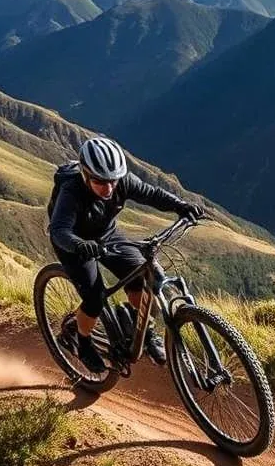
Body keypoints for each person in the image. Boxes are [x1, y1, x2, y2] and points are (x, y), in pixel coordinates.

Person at [48, 136, 204, 372]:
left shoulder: (122, 182)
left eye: (113, 180)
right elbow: (60, 230)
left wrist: (180, 206)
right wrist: (79, 245)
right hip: (75, 244)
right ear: (85, 175)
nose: (109, 188)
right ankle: (82, 341)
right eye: (101, 182)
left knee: (145, 280)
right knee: (95, 298)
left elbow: (152, 194)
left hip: (107, 234)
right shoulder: (71, 191)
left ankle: (145, 331)